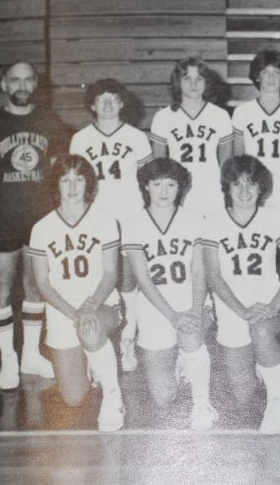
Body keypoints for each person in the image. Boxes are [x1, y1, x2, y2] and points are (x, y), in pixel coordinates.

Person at [0, 60, 70, 389]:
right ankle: (8, 360)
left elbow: (56, 171)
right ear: (4, 85)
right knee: (2, 290)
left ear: (35, 83)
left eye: (28, 80)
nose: (22, 86)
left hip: (40, 220)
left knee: (36, 287)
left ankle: (30, 356)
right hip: (2, 221)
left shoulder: (49, 121)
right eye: (15, 80)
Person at [202, 155, 280, 434]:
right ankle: (268, 361)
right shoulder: (213, 222)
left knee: (260, 331)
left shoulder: (274, 218)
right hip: (232, 312)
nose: (244, 192)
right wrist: (241, 310)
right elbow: (213, 275)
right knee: (242, 395)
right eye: (237, 184)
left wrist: (274, 305)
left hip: (272, 309)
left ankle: (276, 402)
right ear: (227, 188)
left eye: (251, 184)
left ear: (262, 188)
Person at [27, 154, 124, 431]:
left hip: (101, 305)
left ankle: (113, 396)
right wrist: (74, 313)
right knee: (73, 398)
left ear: (88, 184)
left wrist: (89, 307)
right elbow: (42, 284)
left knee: (90, 330)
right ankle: (94, 359)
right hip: (62, 314)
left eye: (78, 180)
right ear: (56, 184)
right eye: (66, 179)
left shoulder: (105, 220)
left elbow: (110, 274)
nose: (72, 187)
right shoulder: (41, 228)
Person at [119, 158, 217, 431]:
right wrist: (173, 317)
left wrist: (196, 312)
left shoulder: (196, 220)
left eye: (171, 184)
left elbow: (199, 273)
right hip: (155, 309)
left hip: (192, 302)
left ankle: (202, 404)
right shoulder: (133, 223)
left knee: (190, 333)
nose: (164, 191)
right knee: (163, 397)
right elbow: (144, 280)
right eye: (157, 184)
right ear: (146, 186)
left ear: (180, 188)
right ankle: (180, 360)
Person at [70, 78, 153, 372]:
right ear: (92, 105)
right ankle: (97, 343)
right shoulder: (80, 140)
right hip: (97, 220)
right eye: (100, 99)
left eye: (112, 98)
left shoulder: (137, 137)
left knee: (130, 281)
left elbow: (148, 181)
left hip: (131, 216)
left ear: (121, 103)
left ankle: (129, 336)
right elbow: (76, 183)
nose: (106, 103)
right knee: (98, 280)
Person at [232, 49, 280, 230]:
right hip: (254, 189)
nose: (271, 78)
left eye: (276, 72)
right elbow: (238, 156)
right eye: (265, 72)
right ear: (257, 77)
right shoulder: (242, 112)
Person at [149, 57, 233, 214]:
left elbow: (226, 163)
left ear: (206, 82)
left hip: (211, 190)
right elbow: (159, 164)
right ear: (177, 82)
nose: (193, 84)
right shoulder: (163, 117)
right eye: (187, 78)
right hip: (178, 191)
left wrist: (226, 192)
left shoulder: (220, 116)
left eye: (199, 79)